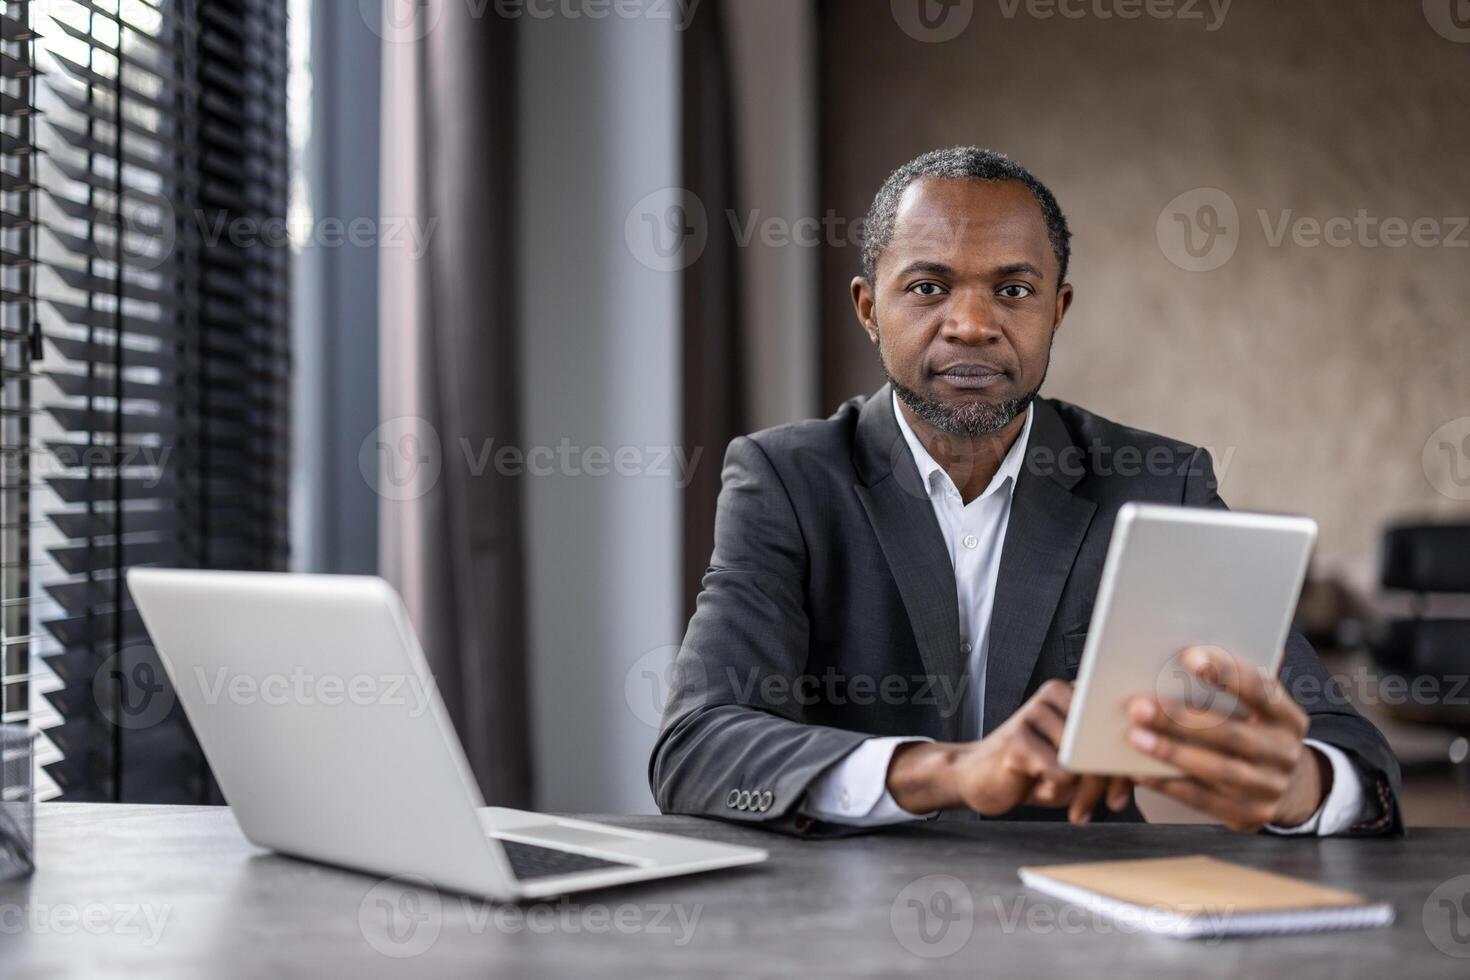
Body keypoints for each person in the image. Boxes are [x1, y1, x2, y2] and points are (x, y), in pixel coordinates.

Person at [648, 147, 1401, 837]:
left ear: (1057, 312)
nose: (972, 324)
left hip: (1084, 927)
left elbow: (1349, 748)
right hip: (840, 927)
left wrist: (1302, 785)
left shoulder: (1155, 482)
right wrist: (948, 770)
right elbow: (698, 749)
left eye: (1012, 289)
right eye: (928, 286)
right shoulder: (786, 480)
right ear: (868, 309)